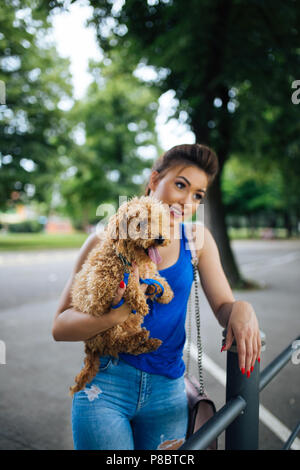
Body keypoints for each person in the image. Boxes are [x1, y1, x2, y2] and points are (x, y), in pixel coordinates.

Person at [52, 143, 261, 450]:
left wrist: (241, 308)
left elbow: (224, 306)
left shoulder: (197, 240)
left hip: (168, 394)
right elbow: (59, 326)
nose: (187, 201)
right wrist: (115, 316)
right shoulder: (104, 239)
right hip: (106, 388)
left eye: (198, 195)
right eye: (180, 185)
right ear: (153, 180)